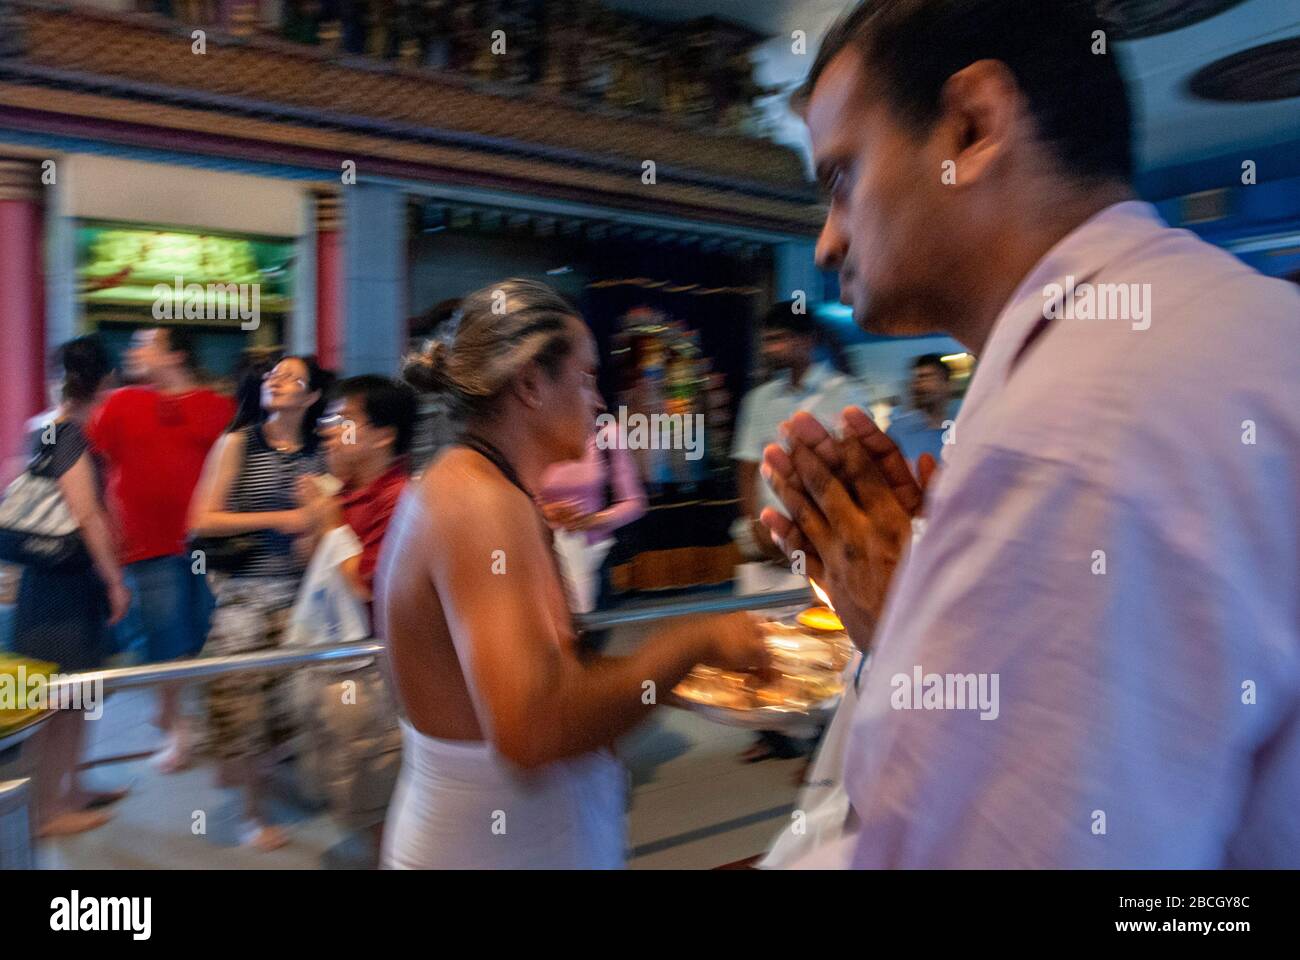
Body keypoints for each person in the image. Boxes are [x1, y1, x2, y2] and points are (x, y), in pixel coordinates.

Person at [759, 0, 1300, 867]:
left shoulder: (1065, 433)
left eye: (840, 181)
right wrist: (913, 629)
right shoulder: (1254, 321)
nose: (825, 243)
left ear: (973, 127)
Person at [378, 279, 770, 869]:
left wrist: (686, 679)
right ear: (531, 384)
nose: (597, 402)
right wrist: (694, 640)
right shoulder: (480, 502)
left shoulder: (484, 488)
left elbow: (553, 674)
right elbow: (533, 728)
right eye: (586, 379)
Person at [187, 354, 334, 851]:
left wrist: (312, 523)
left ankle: (264, 791)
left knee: (282, 711)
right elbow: (202, 520)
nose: (278, 382)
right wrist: (282, 518)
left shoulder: (321, 454)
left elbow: (324, 529)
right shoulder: (238, 442)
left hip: (302, 597)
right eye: (273, 375)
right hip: (246, 595)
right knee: (242, 707)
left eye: (292, 378)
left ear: (312, 396)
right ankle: (252, 812)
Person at [87, 327, 234, 772]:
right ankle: (175, 726)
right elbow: (93, 466)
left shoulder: (217, 407)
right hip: (146, 545)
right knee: (162, 640)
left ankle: (191, 720)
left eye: (144, 343)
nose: (133, 351)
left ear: (174, 355)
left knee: (204, 636)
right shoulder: (121, 403)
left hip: (206, 544)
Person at [731, 300, 870, 763]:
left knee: (826, 643)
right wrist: (753, 528)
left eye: (781, 338)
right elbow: (748, 468)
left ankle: (823, 746)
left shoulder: (844, 393)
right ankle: (776, 733)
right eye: (767, 339)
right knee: (768, 638)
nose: (772, 347)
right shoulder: (759, 401)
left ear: (806, 341)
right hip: (767, 544)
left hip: (821, 541)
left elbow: (857, 471)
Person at [291, 374, 417, 863]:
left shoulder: (400, 496)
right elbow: (312, 560)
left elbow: (368, 583)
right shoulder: (343, 491)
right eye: (328, 421)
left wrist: (327, 521)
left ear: (384, 435)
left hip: (380, 672)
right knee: (356, 780)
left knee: (383, 781)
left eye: (344, 422)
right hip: (343, 666)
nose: (328, 431)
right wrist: (315, 519)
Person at [11, 336, 130, 837]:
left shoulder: (42, 427)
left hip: (51, 584)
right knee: (60, 699)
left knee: (79, 693)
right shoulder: (68, 438)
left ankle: (71, 786)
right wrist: (115, 581)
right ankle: (45, 811)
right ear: (105, 381)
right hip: (65, 587)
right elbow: (87, 517)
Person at [538, 416, 648, 650]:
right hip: (543, 560)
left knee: (590, 648)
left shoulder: (608, 434)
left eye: (589, 381)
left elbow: (635, 503)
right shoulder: (532, 435)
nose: (591, 395)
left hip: (594, 559)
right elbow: (519, 498)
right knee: (551, 650)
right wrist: (547, 513)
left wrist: (593, 520)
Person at [886, 354, 954, 473]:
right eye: (916, 379)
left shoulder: (964, 428)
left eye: (926, 377)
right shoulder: (897, 431)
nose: (918, 385)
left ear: (947, 385)